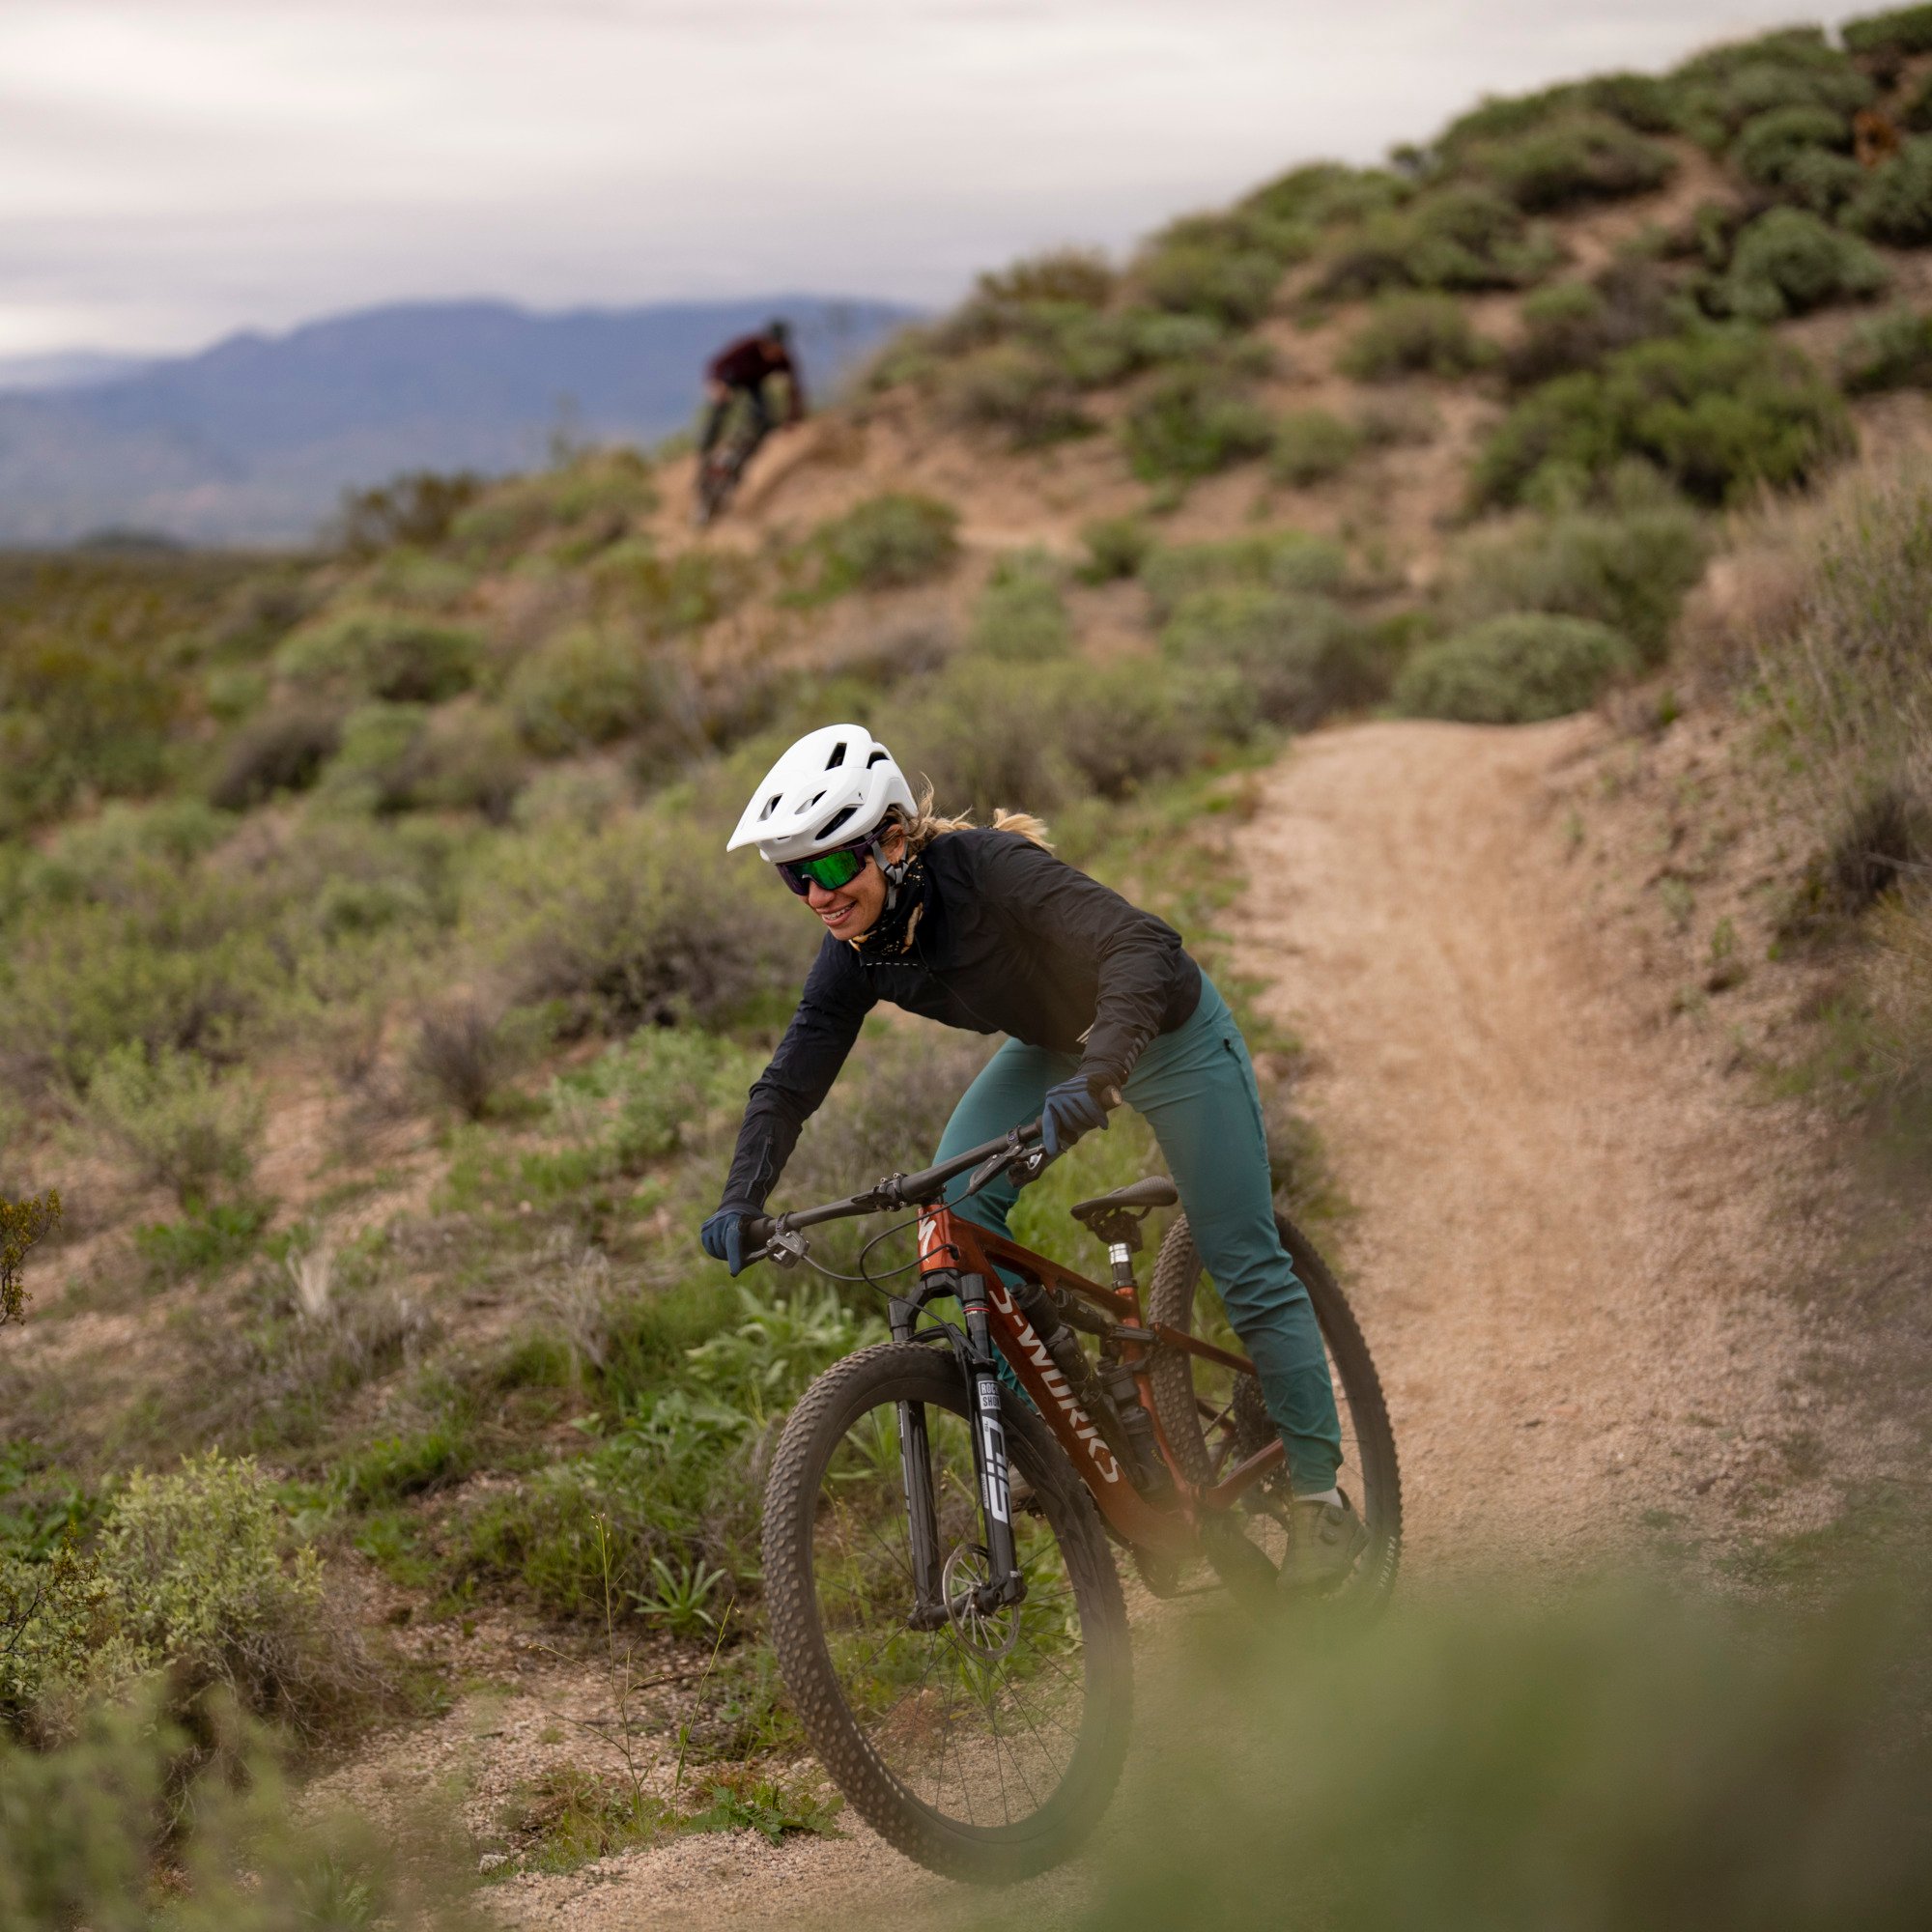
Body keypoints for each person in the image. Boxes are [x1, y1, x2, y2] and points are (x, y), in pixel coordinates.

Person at [698, 723, 1367, 1593]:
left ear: (893, 841)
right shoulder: (858, 950)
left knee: (1242, 1259)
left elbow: (1144, 947)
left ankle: (1321, 1498)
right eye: (796, 876)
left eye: (831, 866)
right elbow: (788, 1081)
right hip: (1054, 1049)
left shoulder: (986, 871)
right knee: (953, 1223)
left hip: (1166, 1031)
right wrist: (740, 1198)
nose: (818, 894)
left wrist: (1100, 1076)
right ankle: (1080, 1434)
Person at [698, 317, 807, 461]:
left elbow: (794, 390)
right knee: (721, 405)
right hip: (731, 379)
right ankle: (707, 445)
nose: (772, 352)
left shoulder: (783, 359)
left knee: (765, 418)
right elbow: (719, 362)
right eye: (769, 346)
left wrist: (792, 418)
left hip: (754, 384)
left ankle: (746, 454)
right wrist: (717, 383)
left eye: (777, 347)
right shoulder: (749, 346)